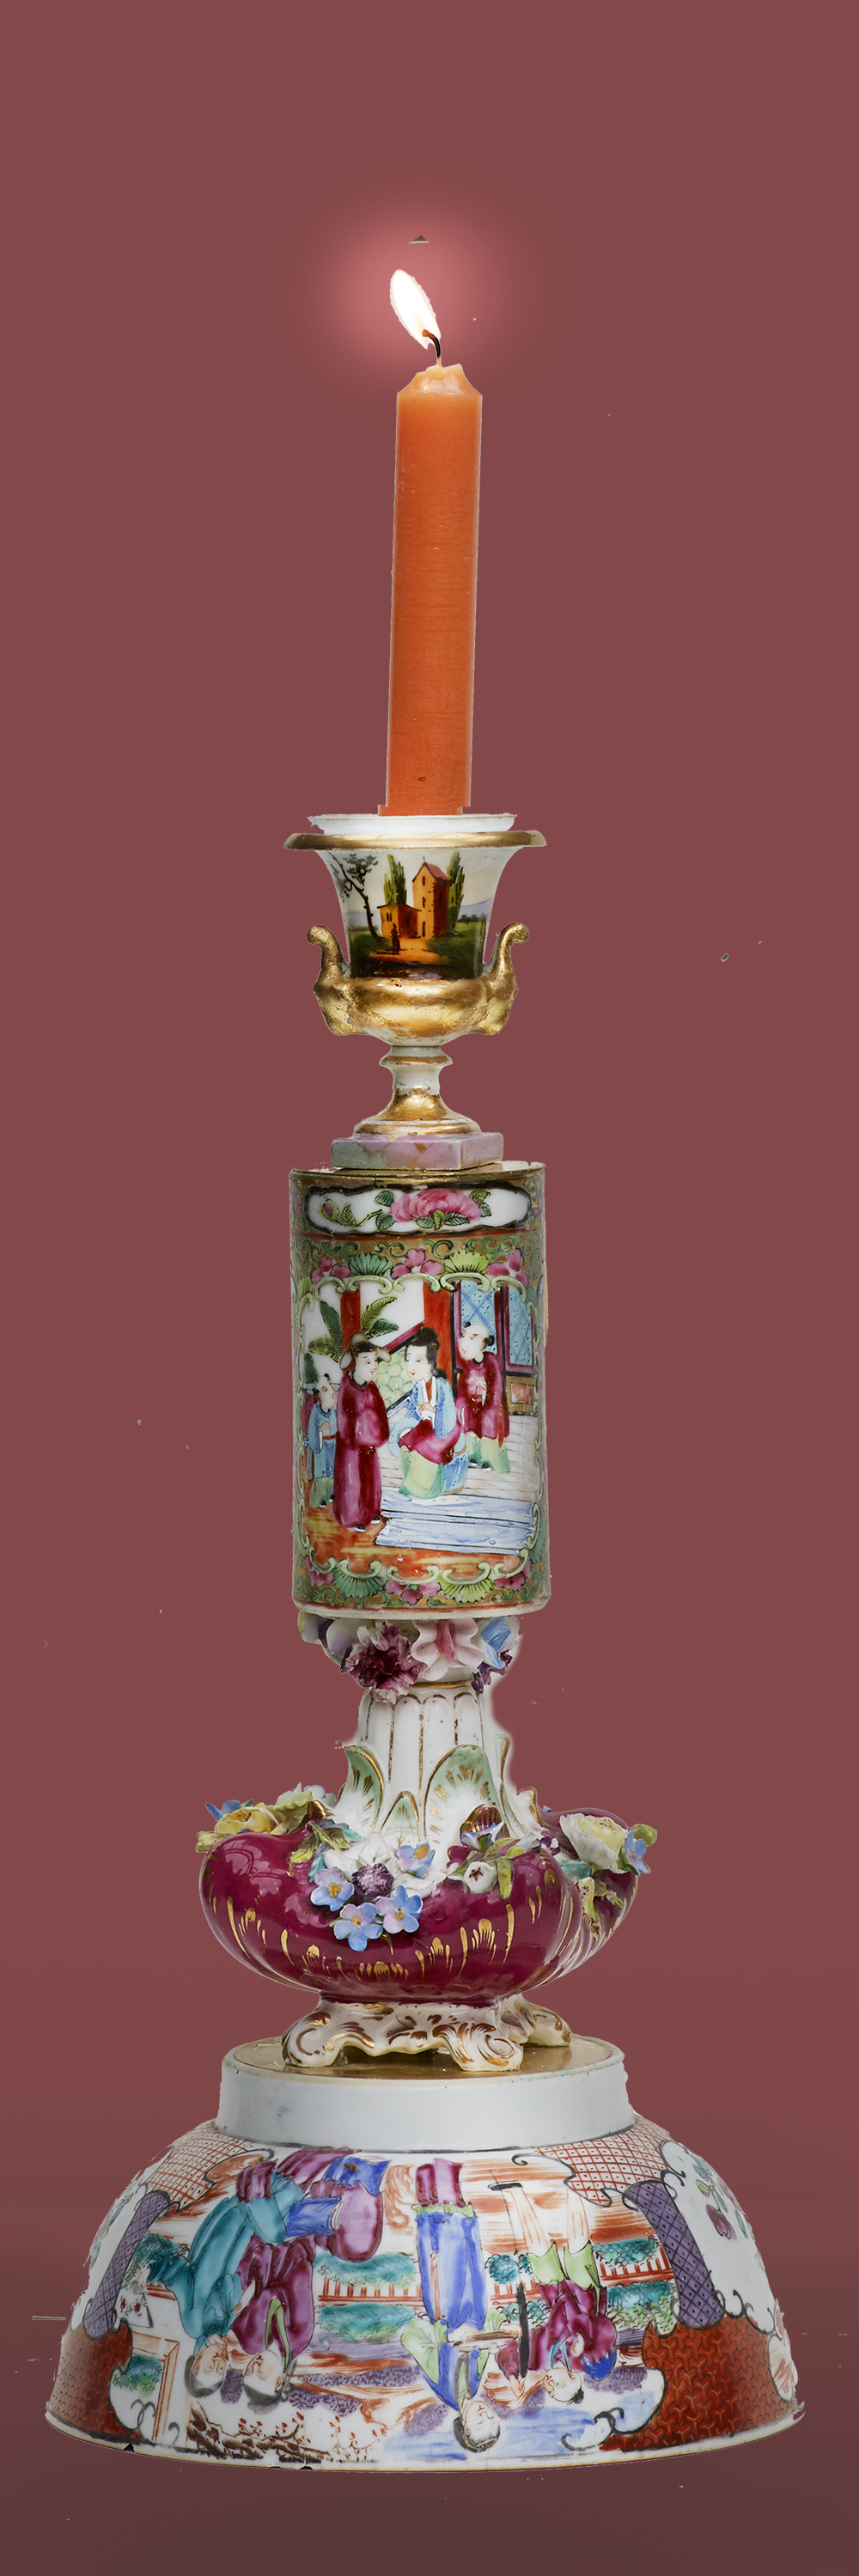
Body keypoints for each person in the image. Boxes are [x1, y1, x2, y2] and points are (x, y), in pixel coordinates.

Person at [387, 1327, 468, 1501]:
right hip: (424, 1427)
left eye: (418, 1360)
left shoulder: (442, 1386)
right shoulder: (418, 1387)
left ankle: (427, 1488)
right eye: (408, 1360)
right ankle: (412, 1483)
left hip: (443, 1428)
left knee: (424, 1446)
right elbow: (412, 1413)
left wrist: (434, 1412)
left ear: (430, 1363)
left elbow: (448, 1416)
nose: (411, 1366)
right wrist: (407, 1427)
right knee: (406, 1440)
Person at [332, 1337, 389, 1529]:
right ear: (355, 1362)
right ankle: (353, 1517)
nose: (373, 1367)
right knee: (353, 1479)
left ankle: (371, 1511)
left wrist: (381, 1434)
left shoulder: (372, 1387)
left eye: (375, 1361)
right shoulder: (347, 1386)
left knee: (370, 1478)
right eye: (367, 1362)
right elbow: (342, 1414)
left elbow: (381, 1412)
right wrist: (350, 1438)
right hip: (351, 1446)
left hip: (369, 1443)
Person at [455, 1318, 510, 1474]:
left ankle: (488, 1459)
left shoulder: (491, 1361)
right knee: (471, 1427)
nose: (465, 1343)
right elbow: (462, 1388)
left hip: (490, 1403)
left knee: (487, 1426)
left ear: (484, 1344)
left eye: (472, 1339)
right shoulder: (467, 1365)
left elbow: (497, 1385)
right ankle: (473, 1455)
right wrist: (461, 1404)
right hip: (472, 1403)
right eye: (464, 1336)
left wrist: (485, 1387)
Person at [304, 1369, 338, 1507]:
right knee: (322, 1471)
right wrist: (320, 1430)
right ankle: (321, 1497)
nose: (332, 1393)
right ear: (318, 1395)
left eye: (331, 1387)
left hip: (333, 1444)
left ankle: (330, 1493)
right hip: (321, 1446)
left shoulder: (334, 1411)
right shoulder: (316, 1411)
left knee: (331, 1470)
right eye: (325, 1390)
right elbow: (312, 1431)